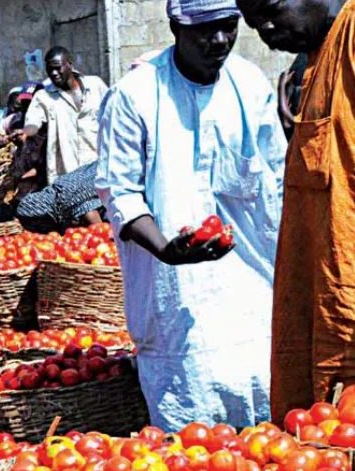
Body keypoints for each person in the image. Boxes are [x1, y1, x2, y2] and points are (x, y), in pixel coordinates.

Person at [95, 0, 286, 430]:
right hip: (173, 298)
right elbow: (120, 191)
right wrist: (165, 248)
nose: (219, 41)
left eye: (227, 27)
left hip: (252, 294)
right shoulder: (136, 94)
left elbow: (276, 178)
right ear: (175, 28)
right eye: (204, 30)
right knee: (192, 438)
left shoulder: (251, 84)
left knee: (268, 434)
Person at [237, 0, 355, 419]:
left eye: (271, 9)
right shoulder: (312, 61)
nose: (265, 28)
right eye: (253, 23)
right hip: (322, 295)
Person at [24, 47, 108, 184]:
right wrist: (25, 132)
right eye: (49, 70)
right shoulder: (43, 97)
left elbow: (113, 116)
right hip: (68, 173)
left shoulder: (95, 85)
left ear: (70, 63)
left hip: (100, 166)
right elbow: (32, 122)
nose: (54, 73)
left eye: (57, 68)